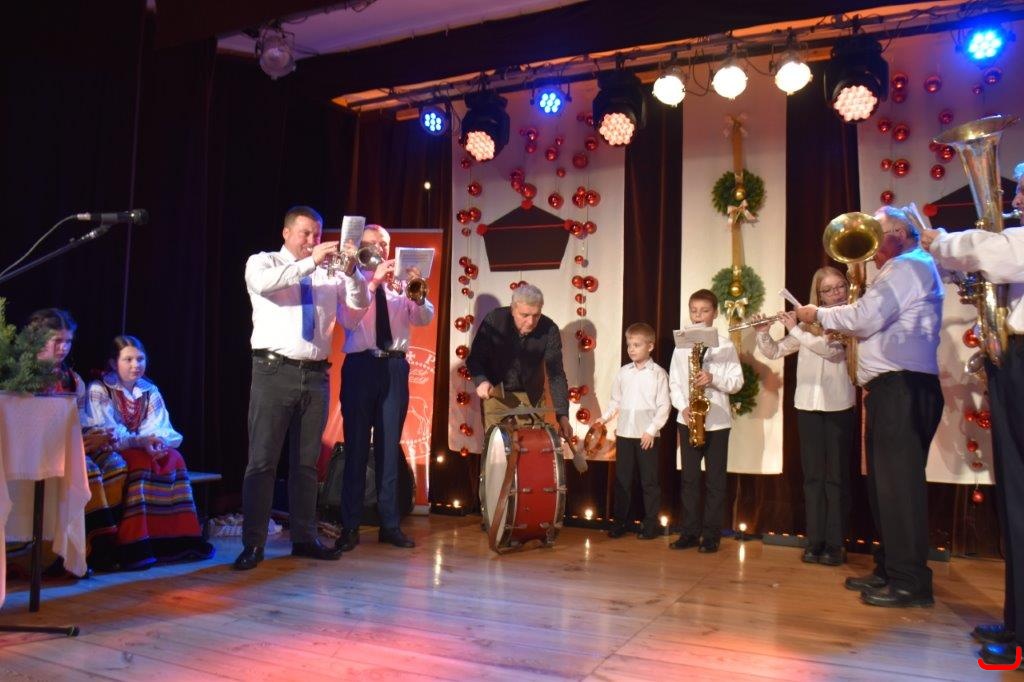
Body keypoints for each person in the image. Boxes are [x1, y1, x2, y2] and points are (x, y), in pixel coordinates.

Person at [797, 205, 944, 608]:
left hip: (903, 388)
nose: (872, 247)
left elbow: (865, 318)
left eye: (878, 236)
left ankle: (910, 582)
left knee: (899, 490)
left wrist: (818, 313)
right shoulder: (895, 270)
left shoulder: (909, 266)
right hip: (888, 390)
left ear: (901, 234)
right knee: (883, 490)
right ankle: (889, 569)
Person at [920, 163, 1024, 664]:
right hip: (1014, 361)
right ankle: (1017, 620)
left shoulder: (1015, 243)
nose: (1016, 200)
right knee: (1015, 498)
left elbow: (992, 253)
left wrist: (939, 241)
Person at [237, 206, 371, 570]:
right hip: (273, 371)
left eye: (317, 234)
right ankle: (253, 543)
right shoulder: (263, 262)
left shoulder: (329, 273)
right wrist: (311, 262)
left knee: (307, 464)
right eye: (305, 233)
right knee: (263, 461)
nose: (313, 240)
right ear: (286, 233)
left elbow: (355, 314)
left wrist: (353, 274)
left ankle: (304, 537)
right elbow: (265, 285)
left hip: (315, 375)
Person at [335, 224, 434, 552]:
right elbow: (349, 320)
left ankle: (389, 524)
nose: (380, 248)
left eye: (384, 243)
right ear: (361, 246)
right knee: (356, 446)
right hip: (361, 366)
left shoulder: (401, 284)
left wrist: (417, 293)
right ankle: (350, 526)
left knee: (390, 446)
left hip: (393, 366)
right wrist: (374, 281)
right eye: (373, 243)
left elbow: (422, 319)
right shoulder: (350, 278)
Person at [753, 267, 856, 566]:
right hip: (807, 408)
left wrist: (795, 327)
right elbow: (774, 352)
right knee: (813, 478)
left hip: (838, 407)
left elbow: (830, 352)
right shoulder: (808, 327)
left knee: (836, 479)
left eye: (840, 287)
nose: (836, 293)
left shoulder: (849, 320)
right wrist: (763, 332)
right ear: (818, 295)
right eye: (828, 290)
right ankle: (815, 541)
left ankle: (835, 544)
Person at [85, 335, 214, 570]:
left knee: (175, 458)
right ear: (113, 363)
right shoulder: (100, 388)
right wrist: (141, 441)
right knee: (139, 463)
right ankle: (137, 543)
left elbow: (159, 424)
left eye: (140, 359)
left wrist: (157, 442)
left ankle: (176, 539)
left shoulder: (149, 389)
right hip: (113, 448)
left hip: (141, 445)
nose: (136, 365)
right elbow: (107, 431)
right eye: (128, 360)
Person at [12, 309, 122, 574]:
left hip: (68, 448)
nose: (63, 348)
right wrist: (77, 446)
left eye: (68, 341)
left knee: (115, 464)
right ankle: (62, 554)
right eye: (56, 341)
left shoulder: (72, 380)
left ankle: (98, 548)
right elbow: (21, 430)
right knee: (87, 471)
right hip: (31, 453)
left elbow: (77, 422)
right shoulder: (19, 378)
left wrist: (95, 437)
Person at [668, 289, 743, 553]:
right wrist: (683, 407)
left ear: (715, 313)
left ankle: (711, 536)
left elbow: (737, 382)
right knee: (689, 480)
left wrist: (713, 379)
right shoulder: (681, 346)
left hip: (718, 422)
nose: (698, 316)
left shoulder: (725, 345)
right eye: (694, 311)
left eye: (704, 311)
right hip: (689, 419)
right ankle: (689, 532)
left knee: (715, 481)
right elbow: (674, 382)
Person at [593, 322, 670, 540]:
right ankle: (620, 523)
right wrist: (603, 419)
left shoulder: (658, 374)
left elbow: (664, 406)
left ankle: (650, 524)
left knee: (649, 482)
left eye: (637, 345)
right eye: (629, 345)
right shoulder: (624, 373)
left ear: (650, 346)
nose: (632, 349)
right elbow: (616, 401)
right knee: (623, 481)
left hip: (646, 436)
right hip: (625, 434)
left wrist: (651, 430)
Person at [466, 283, 572, 438]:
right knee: (498, 449)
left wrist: (562, 416)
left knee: (532, 449)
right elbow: (475, 358)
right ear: (513, 309)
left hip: (532, 398)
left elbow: (556, 375)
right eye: (525, 315)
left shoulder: (549, 329)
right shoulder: (494, 319)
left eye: (536, 315)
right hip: (497, 397)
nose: (531, 322)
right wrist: (481, 381)